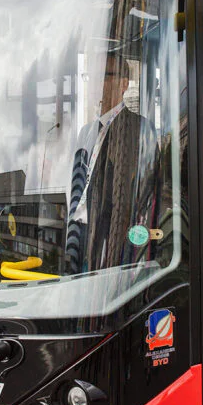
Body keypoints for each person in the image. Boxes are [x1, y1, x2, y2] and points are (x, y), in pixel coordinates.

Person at [65, 55, 156, 273]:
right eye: (92, 77)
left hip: (111, 243)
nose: (95, 84)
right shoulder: (86, 132)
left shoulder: (139, 128)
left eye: (103, 76)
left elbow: (140, 195)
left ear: (124, 84)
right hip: (80, 238)